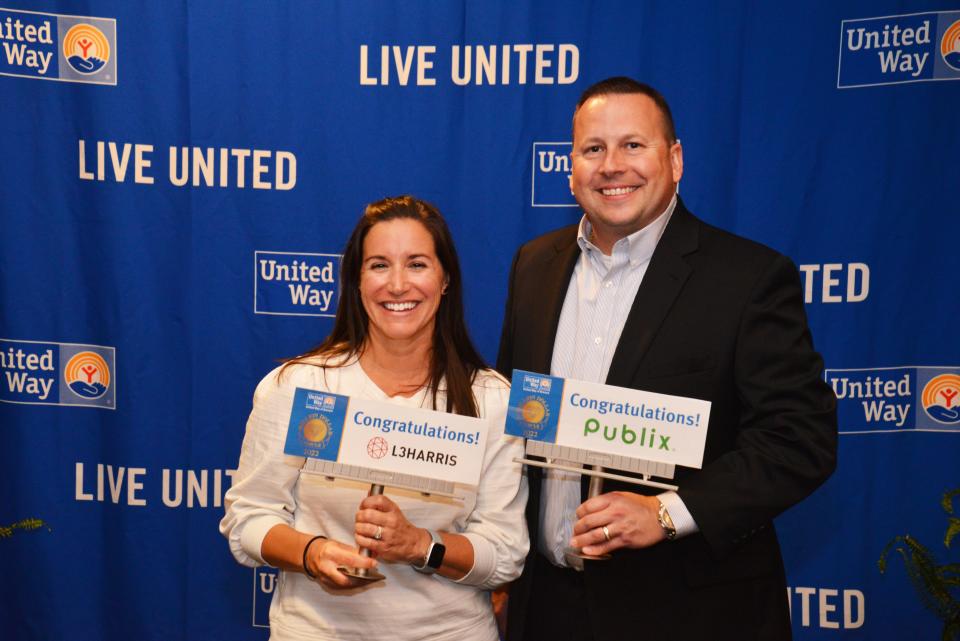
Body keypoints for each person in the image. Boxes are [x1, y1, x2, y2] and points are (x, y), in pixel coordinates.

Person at [497, 77, 837, 640]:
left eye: (634, 145)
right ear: (572, 166)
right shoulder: (533, 266)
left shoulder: (747, 278)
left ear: (674, 160)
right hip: (547, 607)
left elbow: (801, 440)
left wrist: (666, 513)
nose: (612, 166)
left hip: (687, 613)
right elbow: (518, 421)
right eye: (593, 149)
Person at [221, 195, 528, 641]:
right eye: (379, 265)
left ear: (445, 280)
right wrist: (313, 553)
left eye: (418, 264)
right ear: (357, 280)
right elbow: (248, 519)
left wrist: (420, 545)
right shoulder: (301, 388)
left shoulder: (492, 402)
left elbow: (503, 554)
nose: (398, 285)